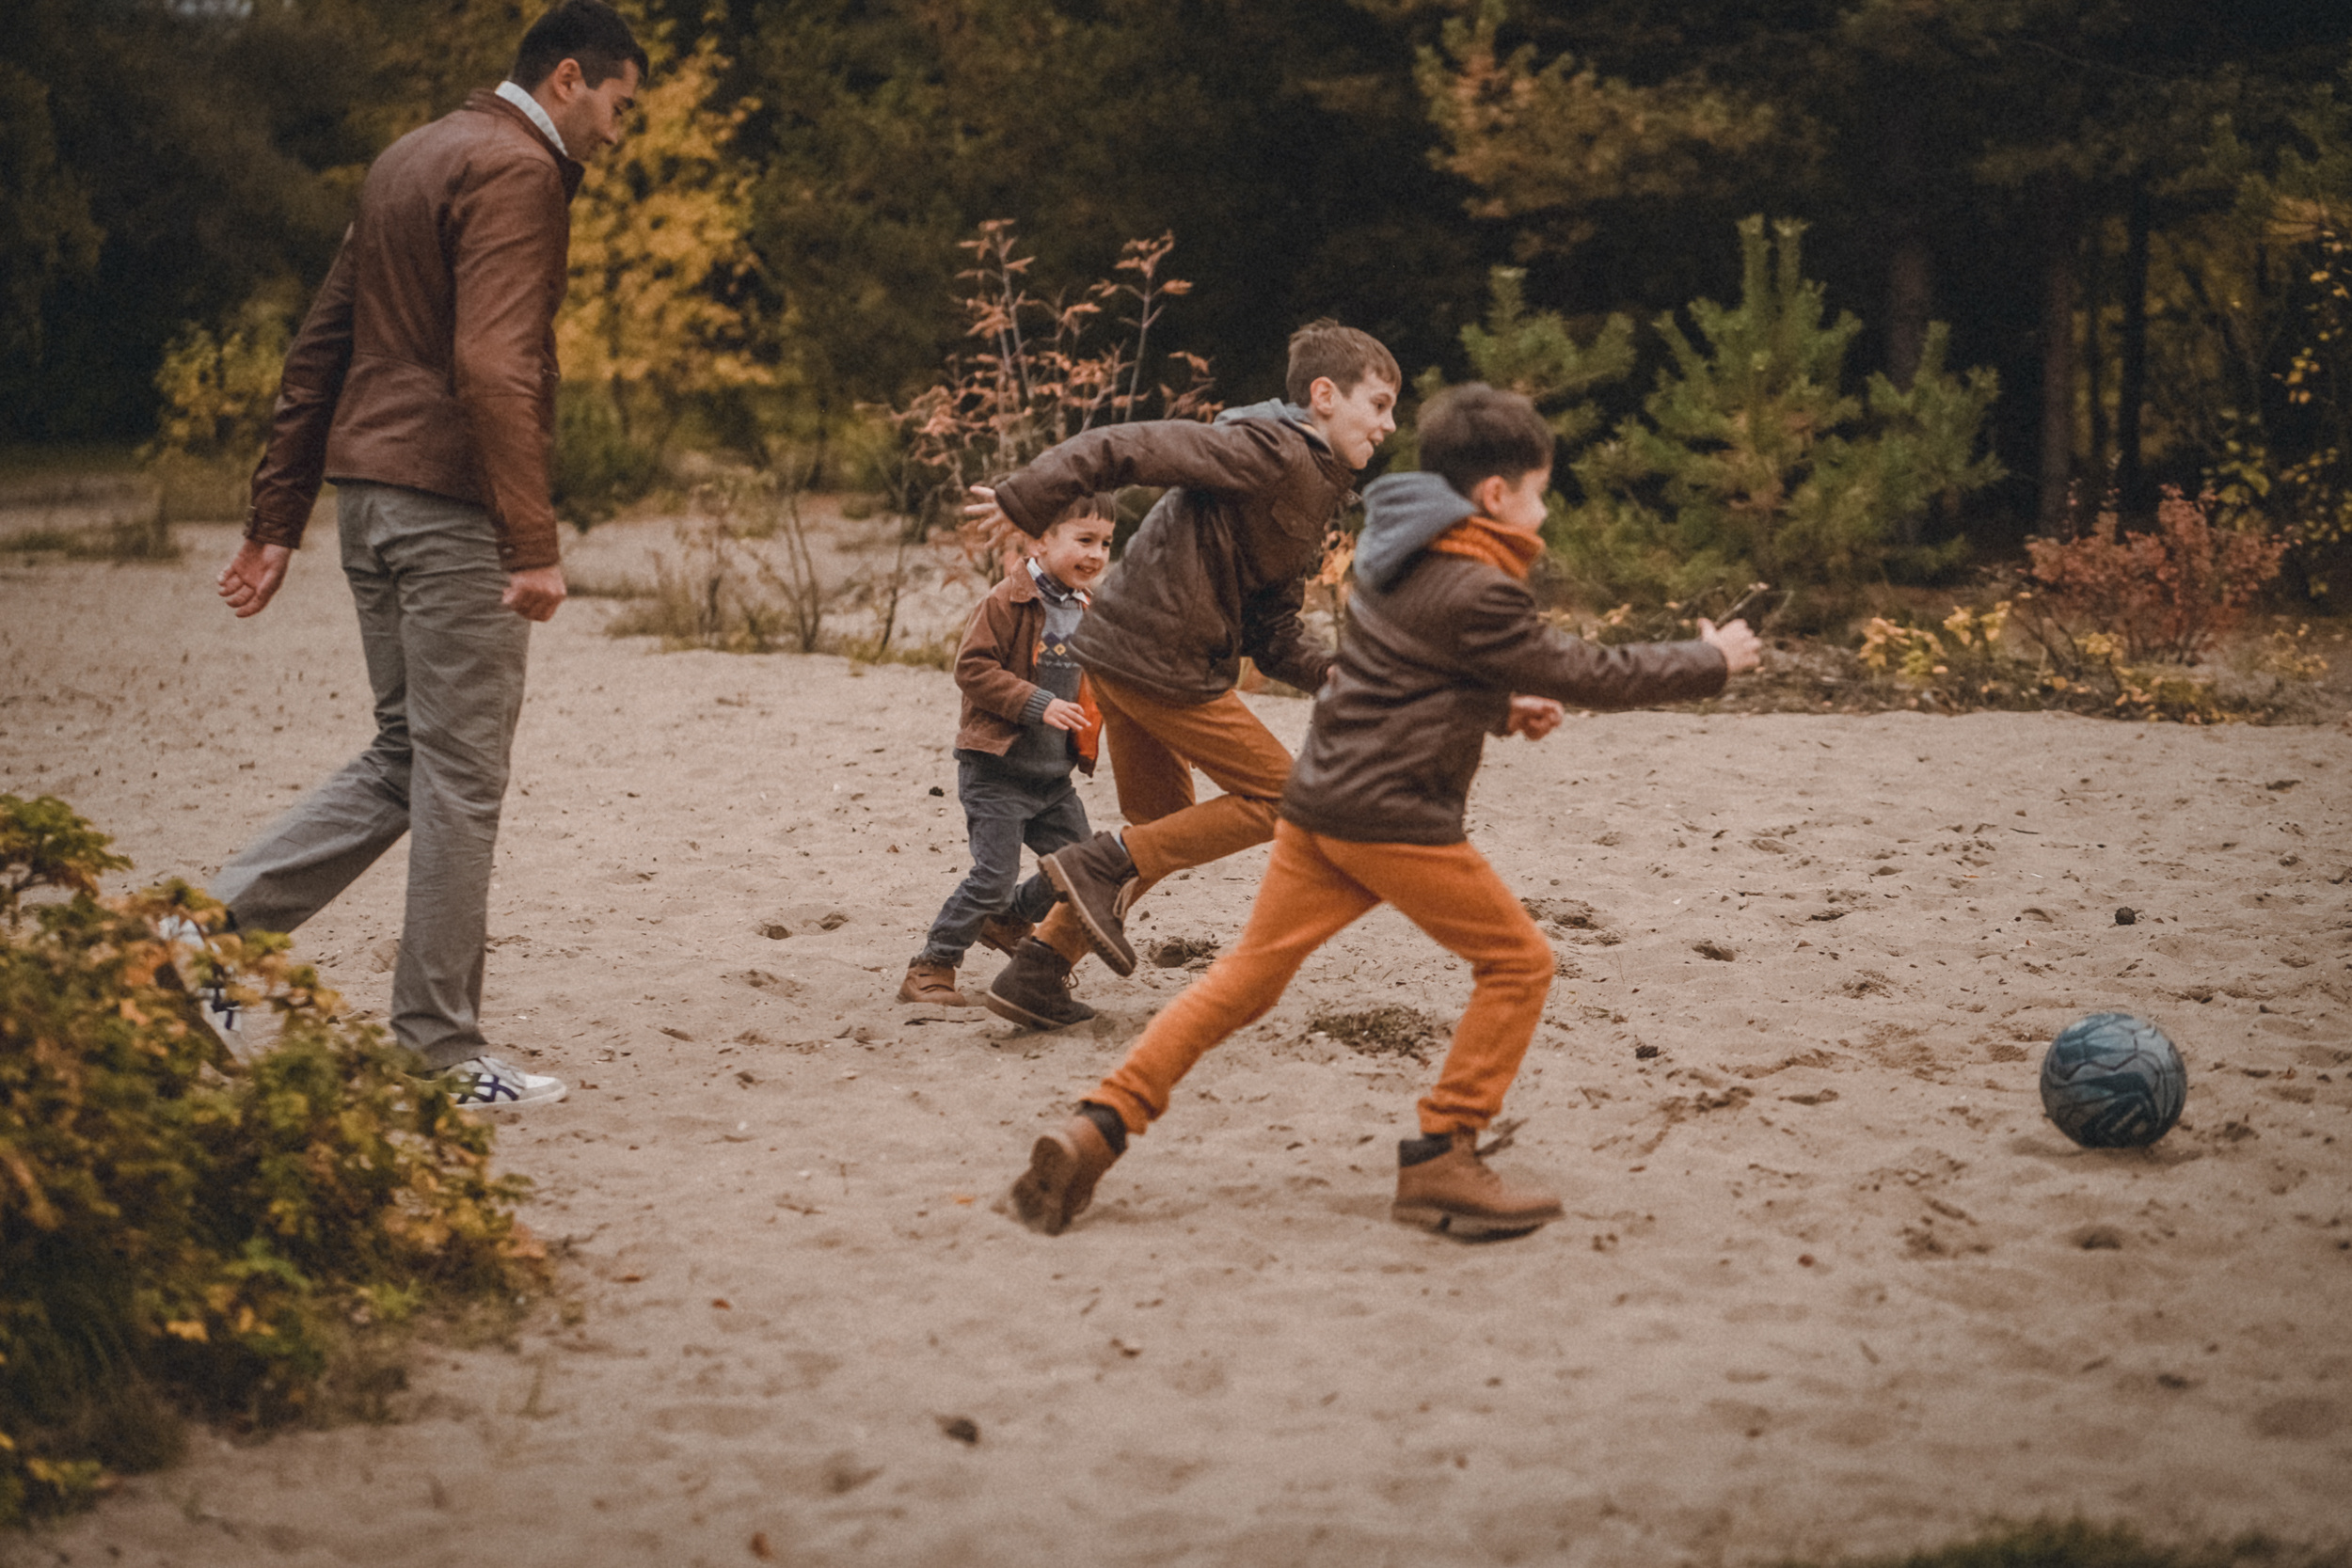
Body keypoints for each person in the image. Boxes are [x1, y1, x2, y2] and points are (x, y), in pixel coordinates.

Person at [1008, 383, 1764, 1237]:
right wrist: (1711, 659)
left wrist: (1499, 706)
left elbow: (1405, 672)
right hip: (1391, 818)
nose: (1544, 511)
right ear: (1495, 496)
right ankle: (1445, 1152)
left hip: (1322, 802)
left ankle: (1095, 1127)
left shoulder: (1400, 555)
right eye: (1539, 492)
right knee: (1520, 965)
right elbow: (1592, 672)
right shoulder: (1478, 585)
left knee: (1242, 980)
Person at [190, 1, 644, 1109]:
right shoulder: (518, 168)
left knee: (409, 754)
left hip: (369, 501)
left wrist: (276, 517)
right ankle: (439, 1049)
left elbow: (320, 349)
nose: (623, 133)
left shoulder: (411, 154)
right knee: (462, 776)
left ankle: (200, 934)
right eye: (622, 107)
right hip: (451, 509)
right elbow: (496, 367)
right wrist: (530, 543)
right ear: (571, 76)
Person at [963, 320, 1399, 1029]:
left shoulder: (1317, 488)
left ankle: (1038, 962)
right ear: (1324, 395)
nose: (1389, 423)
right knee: (1281, 799)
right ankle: (1093, 867)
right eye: (1378, 403)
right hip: (1159, 658)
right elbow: (1127, 446)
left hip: (1125, 654)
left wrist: (1338, 673)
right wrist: (1028, 496)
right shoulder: (1264, 447)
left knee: (1167, 826)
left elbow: (1272, 629)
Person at [901, 496, 1116, 1007]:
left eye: (1106, 543)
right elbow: (972, 669)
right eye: (1083, 540)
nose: (1097, 554)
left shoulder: (1087, 608)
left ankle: (1007, 917)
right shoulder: (1006, 600)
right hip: (997, 772)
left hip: (1052, 779)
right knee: (990, 876)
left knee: (1080, 867)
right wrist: (1036, 703)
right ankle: (931, 965)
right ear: (1041, 541)